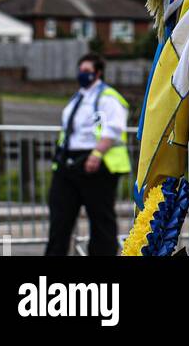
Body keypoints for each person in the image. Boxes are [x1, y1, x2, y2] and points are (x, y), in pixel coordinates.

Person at [45, 53, 131, 257]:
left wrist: (96, 154)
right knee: (60, 219)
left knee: (101, 220)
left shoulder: (108, 97)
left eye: (87, 71)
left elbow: (114, 128)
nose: (82, 75)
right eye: (80, 70)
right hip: (69, 163)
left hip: (97, 163)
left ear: (98, 73)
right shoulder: (79, 97)